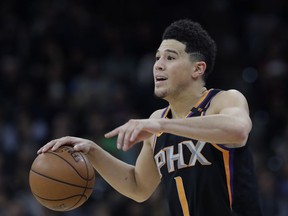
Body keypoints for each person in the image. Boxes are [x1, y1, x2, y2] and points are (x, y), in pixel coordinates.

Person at [38, 19, 263, 216]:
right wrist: (93, 151)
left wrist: (162, 125)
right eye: (157, 57)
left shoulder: (223, 100)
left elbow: (238, 130)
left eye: (170, 57)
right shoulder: (159, 119)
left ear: (197, 69)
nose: (158, 64)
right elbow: (138, 187)